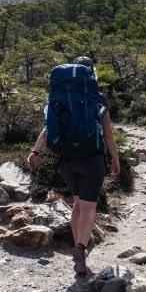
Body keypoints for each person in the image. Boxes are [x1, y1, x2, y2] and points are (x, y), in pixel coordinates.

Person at [26, 56, 120, 275]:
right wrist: (115, 159)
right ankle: (80, 248)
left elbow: (48, 129)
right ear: (91, 74)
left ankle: (80, 262)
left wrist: (34, 151)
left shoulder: (57, 98)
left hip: (66, 162)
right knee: (89, 208)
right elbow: (107, 134)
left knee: (78, 205)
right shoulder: (98, 99)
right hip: (91, 161)